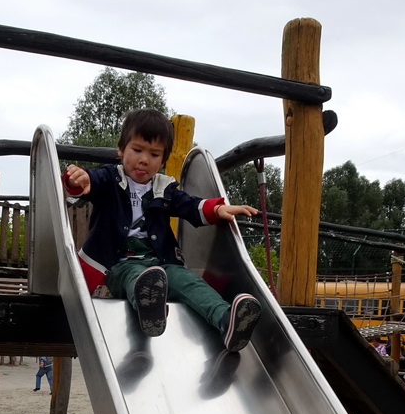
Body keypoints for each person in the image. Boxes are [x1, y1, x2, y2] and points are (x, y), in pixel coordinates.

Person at [62, 109, 262, 352]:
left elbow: (190, 205)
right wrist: (78, 180)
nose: (144, 159)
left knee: (188, 282)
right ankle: (150, 311)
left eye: (154, 154)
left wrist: (218, 210)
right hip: (119, 263)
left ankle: (226, 320)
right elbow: (89, 183)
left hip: (162, 263)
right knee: (135, 277)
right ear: (121, 150)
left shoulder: (164, 188)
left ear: (163, 160)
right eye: (137, 150)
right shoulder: (109, 178)